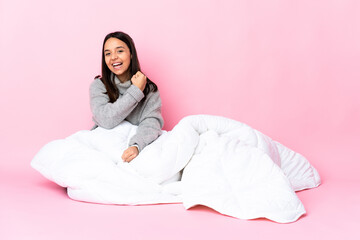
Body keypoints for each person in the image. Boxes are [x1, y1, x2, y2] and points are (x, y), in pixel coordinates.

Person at [89, 31, 164, 163]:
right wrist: (135, 91)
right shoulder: (98, 86)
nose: (113, 57)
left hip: (134, 145)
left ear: (131, 53)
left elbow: (151, 123)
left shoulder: (149, 89)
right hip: (105, 145)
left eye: (119, 51)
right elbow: (105, 119)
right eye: (108, 53)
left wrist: (136, 146)